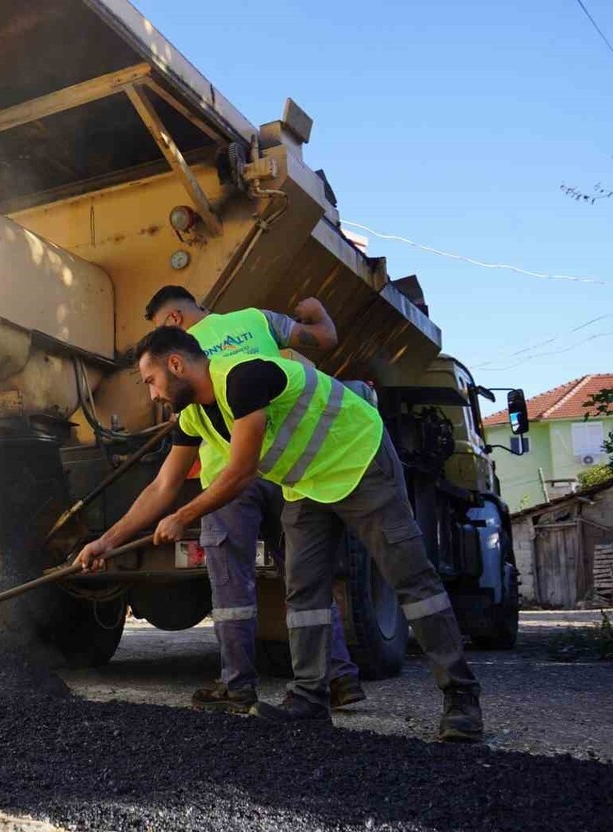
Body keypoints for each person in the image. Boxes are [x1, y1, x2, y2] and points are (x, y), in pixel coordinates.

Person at [82, 327, 482, 742]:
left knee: (412, 581)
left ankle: (461, 700)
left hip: (359, 462)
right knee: (304, 591)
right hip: (307, 485)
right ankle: (310, 699)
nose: (152, 395)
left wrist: (184, 516)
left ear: (176, 365)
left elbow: (240, 472)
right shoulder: (194, 415)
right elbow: (160, 487)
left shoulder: (243, 378)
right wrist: (106, 542)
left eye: (151, 381)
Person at [139, 286, 364, 714]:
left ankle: (237, 685)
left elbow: (176, 440)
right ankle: (339, 677)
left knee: (232, 585)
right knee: (305, 580)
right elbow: (325, 338)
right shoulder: (257, 319)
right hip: (282, 470)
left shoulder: (182, 358)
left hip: (226, 482)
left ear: (172, 322)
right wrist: (316, 309)